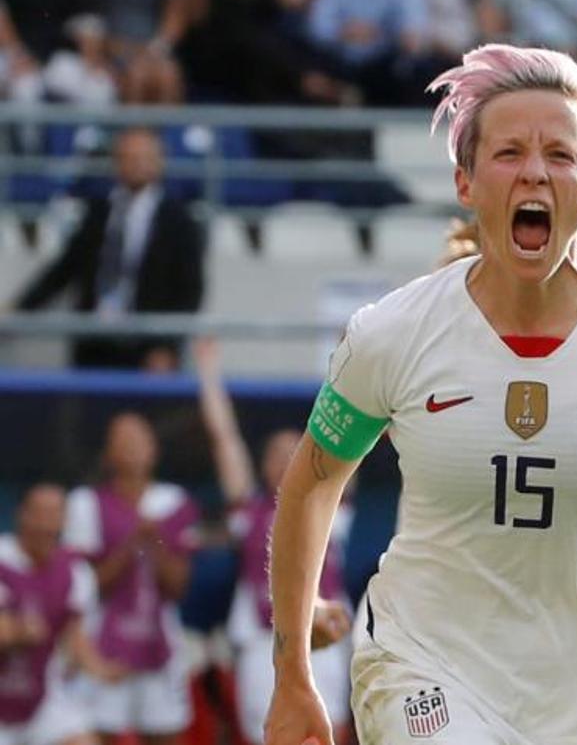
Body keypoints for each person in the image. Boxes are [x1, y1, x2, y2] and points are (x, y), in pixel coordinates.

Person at [264, 43, 577, 745]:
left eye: (561, 155)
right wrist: (292, 673)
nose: (535, 170)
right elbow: (310, 488)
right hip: (424, 664)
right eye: (508, 152)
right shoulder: (392, 332)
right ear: (465, 182)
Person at [192, 337, 354, 745]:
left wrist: (354, 357)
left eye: (295, 451)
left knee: (326, 732)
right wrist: (209, 372)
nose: (286, 460)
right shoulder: (250, 509)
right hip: (265, 641)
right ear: (262, 465)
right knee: (269, 734)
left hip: (324, 640)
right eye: (276, 454)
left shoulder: (330, 504)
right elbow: (224, 437)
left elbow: (350, 427)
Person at [10, 128, 207, 371]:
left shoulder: (179, 221)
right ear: (116, 162)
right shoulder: (99, 212)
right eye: (128, 157)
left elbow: (190, 292)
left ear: (159, 162)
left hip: (147, 350)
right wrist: (17, 311)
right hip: (94, 345)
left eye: (143, 158)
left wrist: (166, 346)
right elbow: (63, 271)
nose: (136, 165)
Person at [62, 412, 200, 745]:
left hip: (160, 641)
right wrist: (129, 544)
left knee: (166, 732)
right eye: (122, 442)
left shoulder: (175, 502)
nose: (132, 449)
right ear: (108, 454)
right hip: (105, 639)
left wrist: (154, 543)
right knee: (99, 731)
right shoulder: (86, 502)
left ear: (154, 450)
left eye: (139, 441)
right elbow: (89, 587)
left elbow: (178, 587)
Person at [0, 482, 126, 745]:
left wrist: (100, 668)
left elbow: (74, 634)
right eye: (40, 514)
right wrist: (15, 631)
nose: (47, 525)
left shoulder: (76, 572)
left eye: (55, 515)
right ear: (22, 514)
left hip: (41, 696)